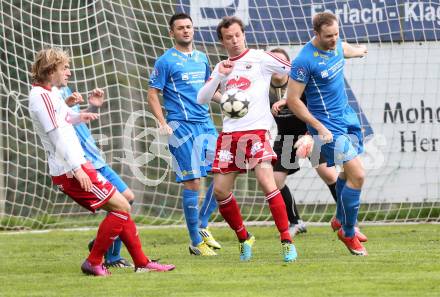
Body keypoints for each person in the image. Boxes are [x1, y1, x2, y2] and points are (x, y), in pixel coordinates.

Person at [28, 47, 175, 276]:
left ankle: (140, 262)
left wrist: (80, 116)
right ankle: (95, 260)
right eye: (63, 67)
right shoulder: (40, 96)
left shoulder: (51, 93)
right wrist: (79, 170)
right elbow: (57, 136)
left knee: (122, 206)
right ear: (49, 70)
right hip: (70, 170)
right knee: (122, 207)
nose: (68, 71)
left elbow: (63, 119)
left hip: (78, 165)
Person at [197, 16, 297, 262]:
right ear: (222, 42)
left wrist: (288, 96)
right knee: (220, 191)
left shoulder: (260, 58)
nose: (234, 41)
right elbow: (202, 97)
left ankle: (286, 240)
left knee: (267, 181)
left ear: (244, 35)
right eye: (228, 37)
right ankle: (244, 237)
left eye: (237, 35)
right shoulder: (222, 67)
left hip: (257, 132)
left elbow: (294, 70)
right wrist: (219, 75)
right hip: (230, 136)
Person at [286, 12, 369, 256]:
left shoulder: (337, 45)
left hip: (346, 117)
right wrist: (318, 127)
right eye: (328, 36)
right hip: (327, 127)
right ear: (316, 34)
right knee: (359, 175)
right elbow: (293, 100)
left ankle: (340, 220)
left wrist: (361, 50)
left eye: (336, 34)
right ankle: (348, 231)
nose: (333, 40)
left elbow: (345, 49)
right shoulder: (304, 60)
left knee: (347, 174)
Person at [147, 12, 221, 256]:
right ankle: (195, 242)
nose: (186, 31)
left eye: (189, 27)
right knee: (193, 181)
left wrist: (229, 101)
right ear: (172, 33)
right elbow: (152, 93)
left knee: (223, 173)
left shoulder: (202, 58)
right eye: (180, 28)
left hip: (205, 124)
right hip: (181, 127)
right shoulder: (165, 61)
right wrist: (162, 122)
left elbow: (209, 90)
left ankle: (201, 224)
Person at [55, 85, 135, 268]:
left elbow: (75, 119)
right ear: (53, 69)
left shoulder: (66, 90)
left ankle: (103, 245)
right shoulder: (49, 96)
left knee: (127, 198)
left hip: (96, 158)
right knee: (122, 203)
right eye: (64, 68)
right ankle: (112, 256)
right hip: (83, 161)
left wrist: (92, 107)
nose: (68, 72)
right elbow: (58, 126)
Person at [269, 48, 339, 236]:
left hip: (308, 134)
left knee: (329, 175)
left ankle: (347, 219)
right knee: (275, 180)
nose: (277, 65)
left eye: (281, 61)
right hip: (285, 137)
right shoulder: (263, 87)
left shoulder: (298, 83)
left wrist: (311, 133)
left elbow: (315, 109)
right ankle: (296, 222)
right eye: (273, 60)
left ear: (288, 65)